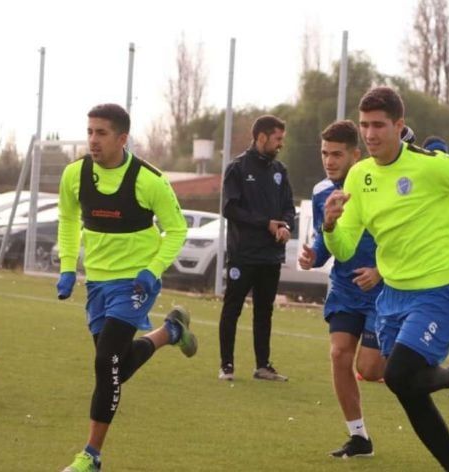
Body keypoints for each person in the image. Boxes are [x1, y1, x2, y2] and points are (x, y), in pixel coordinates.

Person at [322, 86, 449, 471]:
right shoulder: (359, 176)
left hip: (435, 290)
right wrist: (330, 226)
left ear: (399, 126)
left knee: (399, 373)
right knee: (404, 385)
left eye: (379, 125)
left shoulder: (431, 165)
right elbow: (344, 249)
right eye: (364, 125)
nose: (370, 134)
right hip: (392, 294)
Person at [56, 103, 196, 472]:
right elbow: (68, 218)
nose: (93, 140)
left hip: (135, 282)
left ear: (122, 138)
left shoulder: (149, 180)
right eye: (90, 131)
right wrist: (68, 267)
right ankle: (170, 332)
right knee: (115, 364)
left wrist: (152, 269)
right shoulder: (74, 174)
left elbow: (177, 229)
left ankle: (91, 455)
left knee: (106, 362)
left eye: (101, 133)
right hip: (98, 282)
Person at [298, 119, 386, 458]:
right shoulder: (322, 191)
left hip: (383, 289)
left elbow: (399, 238)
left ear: (355, 155)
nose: (329, 161)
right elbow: (326, 237)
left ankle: (446, 376)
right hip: (345, 288)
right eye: (325, 153)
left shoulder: (377, 185)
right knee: (338, 355)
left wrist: (380, 271)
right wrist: (313, 256)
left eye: (337, 154)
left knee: (370, 369)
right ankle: (359, 437)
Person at [218, 114, 295, 382]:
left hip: (270, 256)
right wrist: (266, 224)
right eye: (277, 138)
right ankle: (226, 365)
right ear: (261, 137)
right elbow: (230, 209)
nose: (280, 144)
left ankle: (263, 366)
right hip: (243, 254)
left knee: (264, 311)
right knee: (232, 308)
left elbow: (288, 207)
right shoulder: (237, 168)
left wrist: (286, 226)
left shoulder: (280, 171)